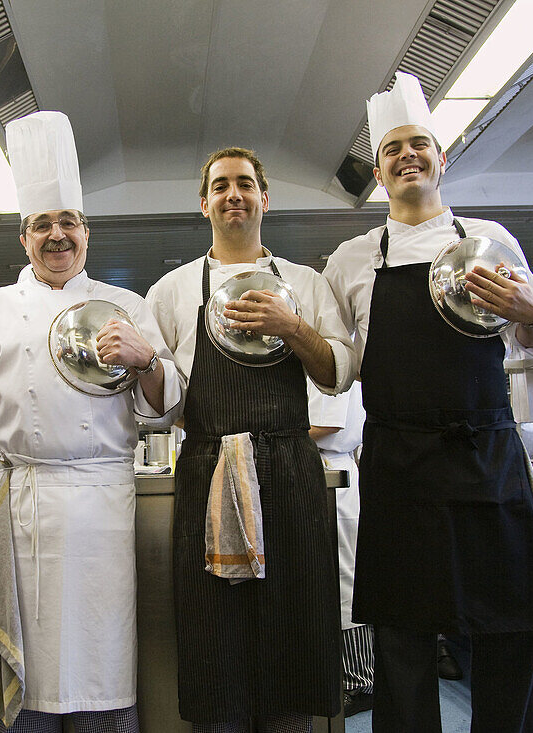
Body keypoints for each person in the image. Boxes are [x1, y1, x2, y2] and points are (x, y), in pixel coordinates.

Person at [322, 72, 533, 733]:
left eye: (418, 144)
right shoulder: (352, 260)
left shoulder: (489, 239)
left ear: (441, 157)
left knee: (508, 629)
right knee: (402, 644)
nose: (406, 156)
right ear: (378, 170)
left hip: (487, 455)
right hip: (400, 469)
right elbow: (337, 367)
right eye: (392, 149)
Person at [0, 111, 183, 733]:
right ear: (23, 238)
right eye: (42, 224)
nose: (57, 235)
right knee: (28, 650)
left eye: (68, 223)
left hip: (104, 500)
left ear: (86, 233)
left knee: (102, 647)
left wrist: (144, 357)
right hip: (20, 501)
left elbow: (171, 403)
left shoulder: (126, 305)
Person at [146, 147, 356, 731]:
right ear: (204, 203)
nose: (232, 194)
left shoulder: (307, 285)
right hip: (208, 469)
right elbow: (160, 401)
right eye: (220, 186)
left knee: (289, 623)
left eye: (244, 184)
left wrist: (292, 327)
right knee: (214, 628)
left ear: (265, 197)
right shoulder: (171, 291)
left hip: (288, 469)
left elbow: (337, 372)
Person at [307, 380, 374, 718]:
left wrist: (274, 440)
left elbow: (327, 423)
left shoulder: (327, 355)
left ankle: (361, 681)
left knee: (345, 580)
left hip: (334, 475)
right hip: (319, 470)